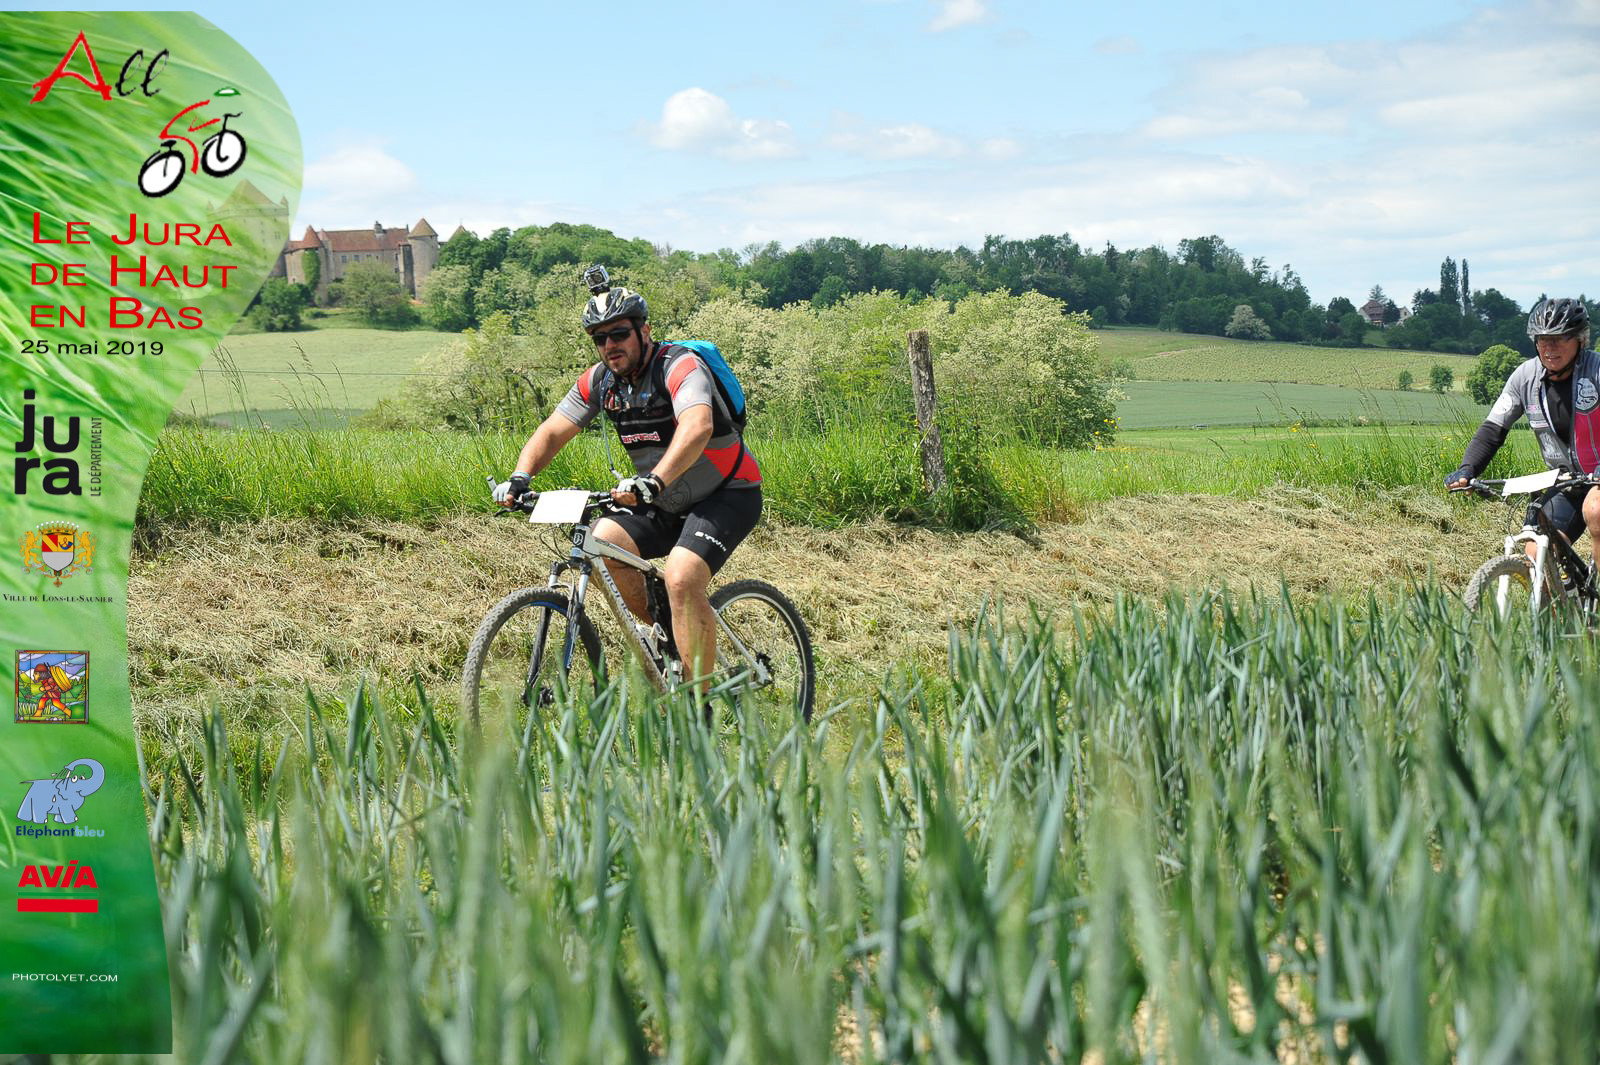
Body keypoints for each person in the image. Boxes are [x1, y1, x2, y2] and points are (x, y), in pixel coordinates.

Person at [492, 273, 761, 693]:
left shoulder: (678, 365)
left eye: (619, 333)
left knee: (682, 576)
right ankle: (674, 632)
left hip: (727, 491)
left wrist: (654, 481)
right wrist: (519, 477)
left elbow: (698, 426)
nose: (609, 345)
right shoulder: (600, 381)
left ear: (644, 331)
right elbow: (553, 431)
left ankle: (699, 709)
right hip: (661, 498)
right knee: (603, 542)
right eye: (600, 339)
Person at [1446, 297, 1600, 570]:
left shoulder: (1596, 370)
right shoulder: (1525, 377)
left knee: (1596, 510)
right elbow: (1493, 428)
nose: (1549, 347)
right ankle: (1557, 599)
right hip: (1566, 482)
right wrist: (1467, 469)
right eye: (1542, 339)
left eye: (1559, 338)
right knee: (1536, 553)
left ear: (1580, 339)